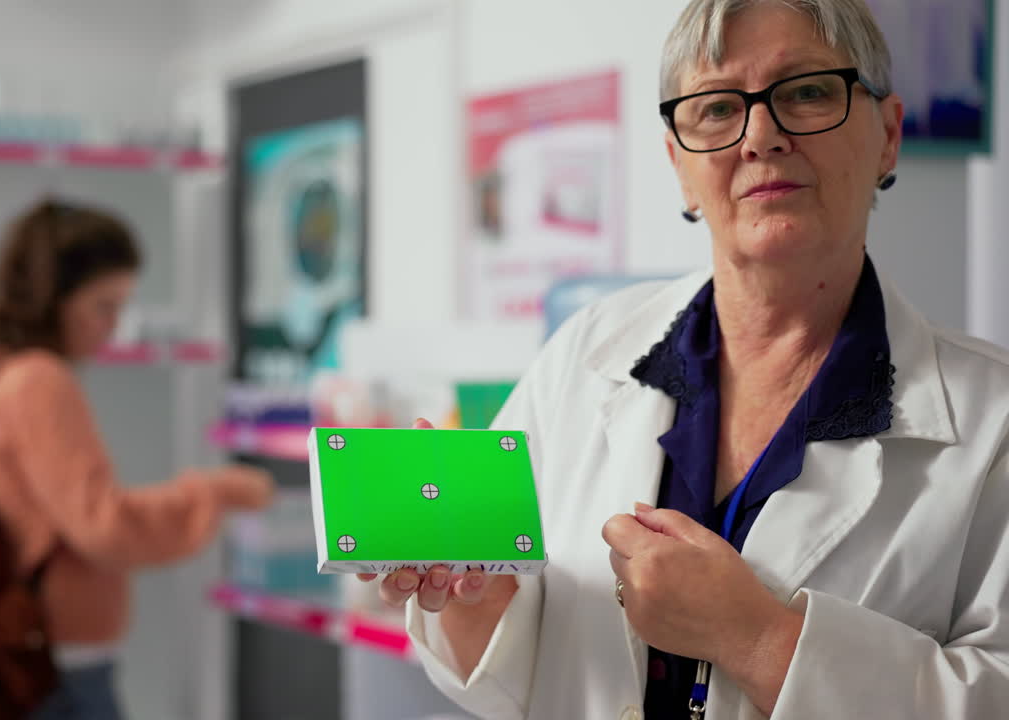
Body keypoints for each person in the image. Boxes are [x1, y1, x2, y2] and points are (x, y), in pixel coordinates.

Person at [363, 1, 1009, 718]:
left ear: (888, 135)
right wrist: (469, 590)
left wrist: (759, 640)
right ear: (679, 162)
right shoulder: (586, 353)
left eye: (806, 92)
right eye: (715, 109)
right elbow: (514, 662)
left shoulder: (993, 425)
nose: (761, 136)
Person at [0, 198, 274, 720]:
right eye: (103, 306)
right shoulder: (39, 380)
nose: (113, 326)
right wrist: (215, 493)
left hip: (20, 648)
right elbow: (103, 525)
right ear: (53, 299)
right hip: (57, 664)